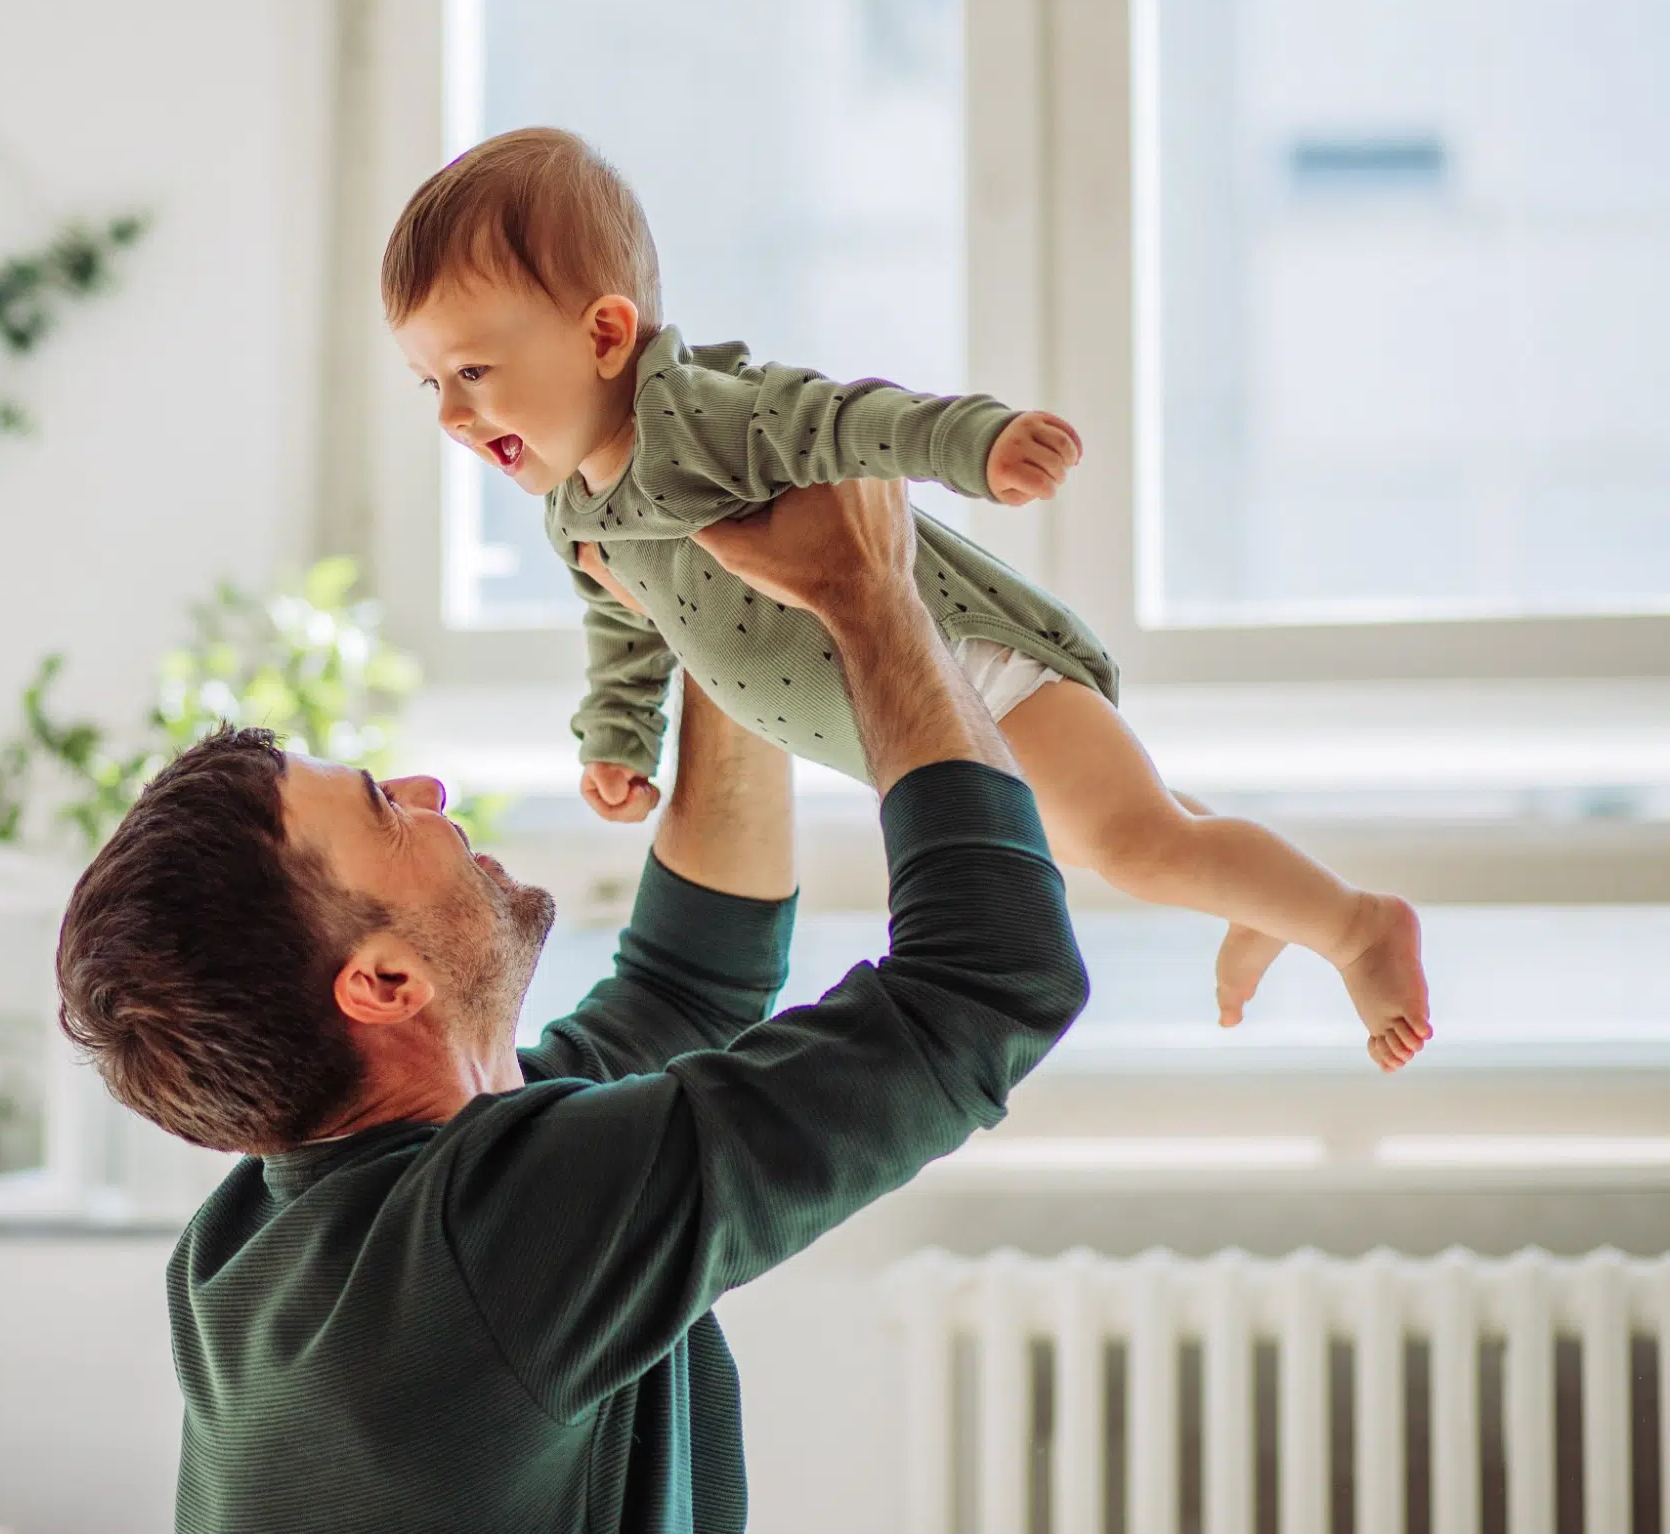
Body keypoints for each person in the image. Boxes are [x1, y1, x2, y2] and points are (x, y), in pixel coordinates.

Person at [56, 475, 1087, 1534]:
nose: (427, 791)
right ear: (380, 983)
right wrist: (870, 598)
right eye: (381, 807)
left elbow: (688, 986)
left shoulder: (262, 1232)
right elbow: (991, 980)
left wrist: (721, 619)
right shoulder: (483, 1238)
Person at [380, 125, 1429, 1070]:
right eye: (432, 384)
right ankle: (1255, 896)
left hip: (965, 666)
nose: (453, 416)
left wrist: (977, 444)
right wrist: (618, 730)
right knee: (1128, 835)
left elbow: (845, 421)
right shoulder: (572, 506)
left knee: (1130, 843)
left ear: (606, 335)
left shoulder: (699, 415)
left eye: (474, 370)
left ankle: (1353, 925)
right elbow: (623, 620)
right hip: (905, 722)